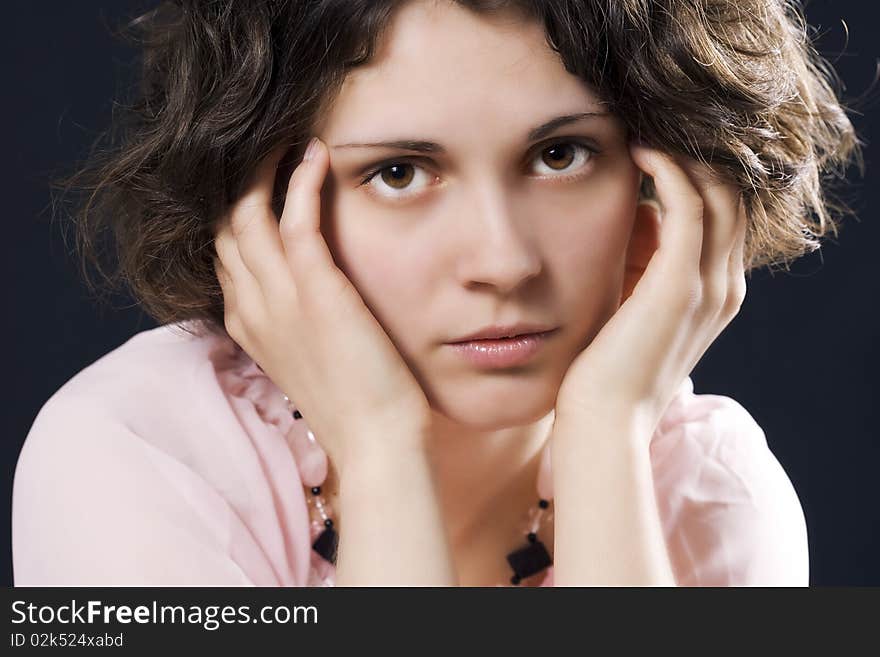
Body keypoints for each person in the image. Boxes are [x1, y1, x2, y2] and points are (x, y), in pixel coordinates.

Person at [12, 0, 861, 586]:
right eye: (399, 171)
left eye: (561, 155)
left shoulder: (708, 492)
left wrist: (607, 434)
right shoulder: (140, 451)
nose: (503, 261)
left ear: (667, 184)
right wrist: (380, 446)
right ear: (264, 210)